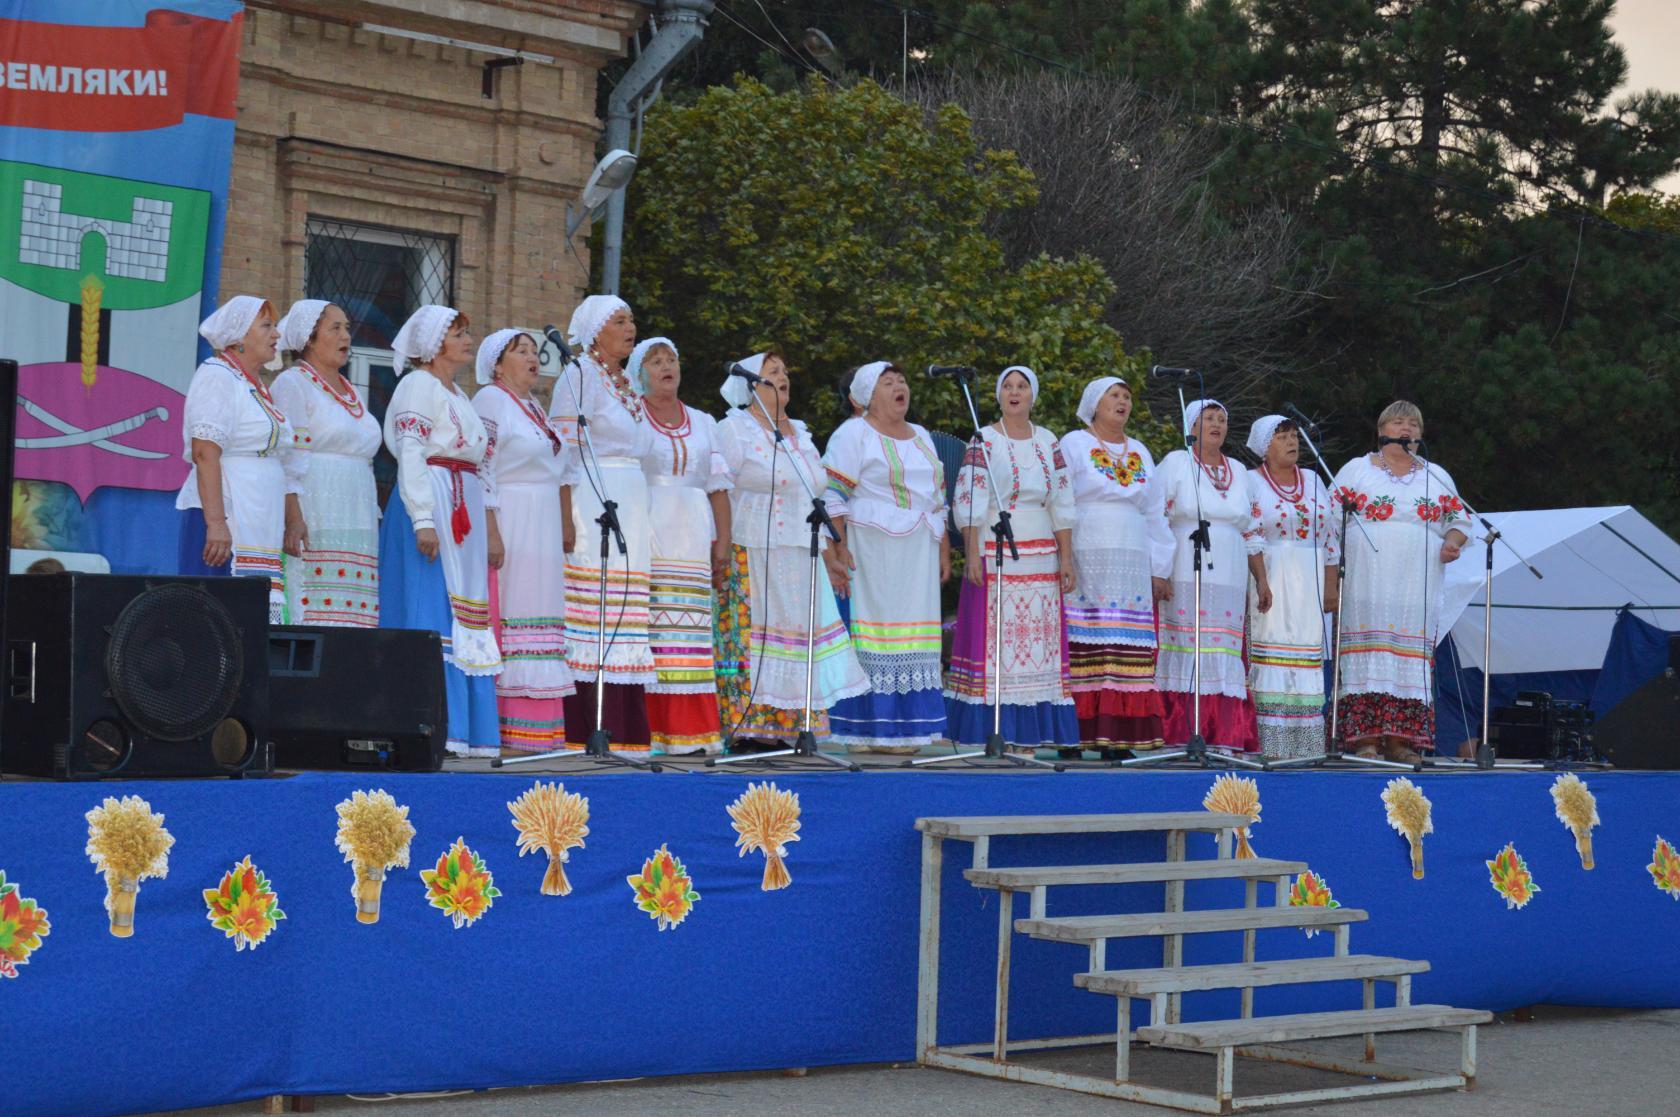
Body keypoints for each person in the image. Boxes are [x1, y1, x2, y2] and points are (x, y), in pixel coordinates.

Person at [714, 351, 868, 747]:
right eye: (772, 371)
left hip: (801, 554)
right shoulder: (735, 430)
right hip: (753, 550)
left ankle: (789, 726)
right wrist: (720, 543)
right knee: (756, 641)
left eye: (784, 370)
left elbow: (811, 498)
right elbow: (717, 489)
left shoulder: (800, 434)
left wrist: (831, 556)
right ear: (752, 385)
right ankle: (749, 728)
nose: (783, 376)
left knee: (799, 640)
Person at [377, 304, 501, 757]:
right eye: (458, 333)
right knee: (427, 605)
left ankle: (465, 729)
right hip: (429, 500)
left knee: (463, 611)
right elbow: (410, 451)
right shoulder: (418, 385)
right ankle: (428, 724)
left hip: (460, 502)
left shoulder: (459, 395)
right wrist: (423, 520)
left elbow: (478, 461)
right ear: (433, 345)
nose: (468, 340)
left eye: (468, 332)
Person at [944, 366, 1078, 753]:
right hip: (996, 546)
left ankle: (1029, 737)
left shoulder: (1048, 441)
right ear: (998, 395)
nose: (1014, 392)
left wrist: (1066, 558)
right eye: (1007, 386)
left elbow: (1062, 502)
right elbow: (969, 499)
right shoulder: (983, 440)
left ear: (1033, 395)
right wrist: (972, 552)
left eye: (1022, 386)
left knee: (1037, 645)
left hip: (1041, 553)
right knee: (999, 642)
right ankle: (995, 730)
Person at [823, 362, 951, 753]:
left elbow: (938, 499)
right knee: (874, 634)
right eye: (888, 382)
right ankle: (865, 730)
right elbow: (832, 495)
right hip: (871, 550)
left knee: (913, 636)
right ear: (867, 395)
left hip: (918, 553)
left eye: (902, 381)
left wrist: (943, 548)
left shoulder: (922, 436)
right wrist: (838, 547)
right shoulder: (853, 433)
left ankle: (907, 729)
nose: (900, 387)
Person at [547, 295, 657, 749]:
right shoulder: (579, 374)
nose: (630, 328)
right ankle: (584, 724)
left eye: (631, 320)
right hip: (593, 498)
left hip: (629, 502)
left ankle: (624, 727)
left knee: (624, 607)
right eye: (620, 321)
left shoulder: (627, 382)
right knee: (594, 607)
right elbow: (563, 451)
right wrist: (566, 517)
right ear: (595, 332)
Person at [1330, 401, 1468, 762]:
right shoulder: (1357, 469)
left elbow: (1459, 520)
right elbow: (1328, 518)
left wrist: (1452, 543)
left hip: (1415, 585)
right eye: (1398, 422)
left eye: (1413, 424)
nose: (1406, 428)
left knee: (1407, 660)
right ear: (1381, 431)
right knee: (1368, 655)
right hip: (1367, 581)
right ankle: (1364, 740)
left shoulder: (1436, 475)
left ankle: (1401, 743)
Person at [473, 328, 577, 755]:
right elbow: (481, 467)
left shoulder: (535, 407)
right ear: (498, 365)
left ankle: (540, 729)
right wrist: (491, 529)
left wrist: (565, 520)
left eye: (535, 351)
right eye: (521, 352)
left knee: (540, 610)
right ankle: (508, 724)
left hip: (542, 523)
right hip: (512, 514)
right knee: (515, 607)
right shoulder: (490, 400)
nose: (533, 358)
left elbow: (559, 468)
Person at [1059, 376, 1172, 754]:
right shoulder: (1074, 443)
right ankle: (1074, 736)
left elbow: (1155, 513)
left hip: (1132, 558)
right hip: (1088, 550)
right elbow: (1060, 500)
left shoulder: (1140, 450)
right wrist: (1064, 554)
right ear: (1094, 403)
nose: (1122, 401)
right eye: (1114, 395)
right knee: (1085, 638)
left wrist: (1160, 568)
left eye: (1127, 396)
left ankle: (1120, 734)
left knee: (1124, 642)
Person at [176, 295, 300, 621]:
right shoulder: (218, 375)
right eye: (266, 326)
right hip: (229, 512)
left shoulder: (256, 385)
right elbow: (205, 451)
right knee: (215, 616)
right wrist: (216, 523)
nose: (276, 334)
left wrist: (292, 516)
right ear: (239, 336)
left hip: (259, 516)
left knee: (252, 618)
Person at [1155, 399, 1268, 753]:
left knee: (1223, 650)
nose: (1217, 424)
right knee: (1185, 647)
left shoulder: (1240, 471)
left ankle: (1222, 735)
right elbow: (1156, 517)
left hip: (1231, 571)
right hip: (1184, 565)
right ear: (1191, 426)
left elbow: (1252, 531)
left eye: (1222, 419)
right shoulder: (1176, 463)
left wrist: (1262, 580)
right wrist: (1160, 571)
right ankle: (1179, 733)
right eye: (1208, 418)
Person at [635, 337, 730, 755]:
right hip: (649, 528)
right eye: (655, 361)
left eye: (671, 359)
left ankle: (693, 733)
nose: (666, 367)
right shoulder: (632, 416)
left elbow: (718, 485)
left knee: (691, 634)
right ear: (639, 373)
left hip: (693, 532)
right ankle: (654, 732)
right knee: (654, 630)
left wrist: (723, 541)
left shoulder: (704, 422)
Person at [271, 299, 382, 627]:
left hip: (356, 509)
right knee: (315, 601)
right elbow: (286, 458)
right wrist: (293, 518)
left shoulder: (351, 391)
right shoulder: (292, 383)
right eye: (335, 328)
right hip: (316, 505)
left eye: (347, 328)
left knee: (352, 609)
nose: (346, 335)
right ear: (309, 338)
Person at [1245, 415, 1338, 759]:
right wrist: (1262, 580)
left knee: (1307, 658)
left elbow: (1330, 538)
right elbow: (1250, 534)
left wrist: (1331, 586)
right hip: (1272, 575)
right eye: (1281, 436)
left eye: (1294, 435)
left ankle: (1305, 746)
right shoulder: (1251, 481)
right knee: (1272, 656)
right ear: (1263, 446)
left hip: (1310, 579)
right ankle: (1271, 745)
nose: (1291, 441)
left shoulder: (1313, 480)